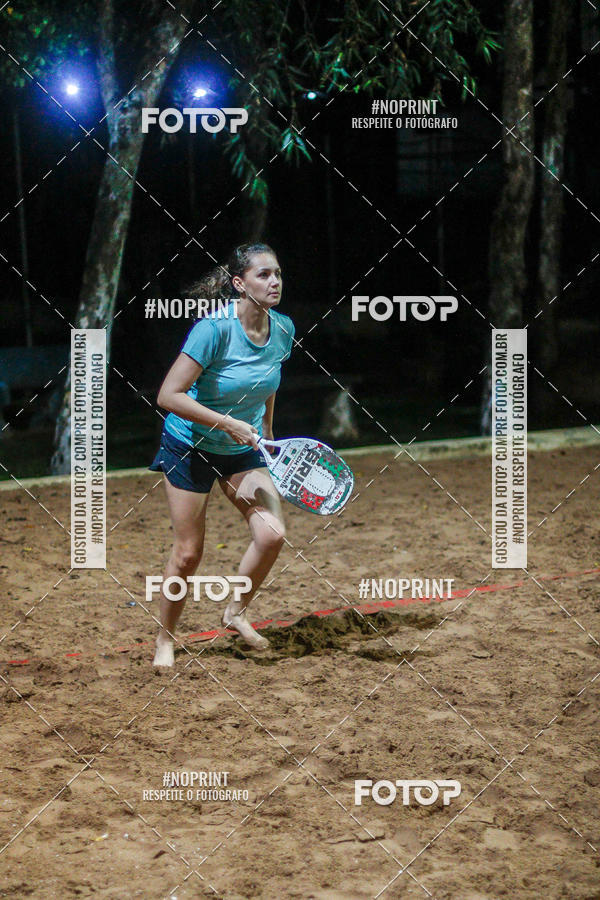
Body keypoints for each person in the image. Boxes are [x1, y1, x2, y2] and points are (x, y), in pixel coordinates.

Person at [149, 243, 294, 666]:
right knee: (189, 553)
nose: (274, 282)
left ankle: (235, 612)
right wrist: (227, 423)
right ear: (239, 283)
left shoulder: (283, 329)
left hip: (242, 449)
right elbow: (167, 395)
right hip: (189, 446)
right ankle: (164, 638)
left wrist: (268, 435)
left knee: (271, 534)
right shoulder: (212, 330)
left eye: (278, 274)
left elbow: (270, 383)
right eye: (263, 275)